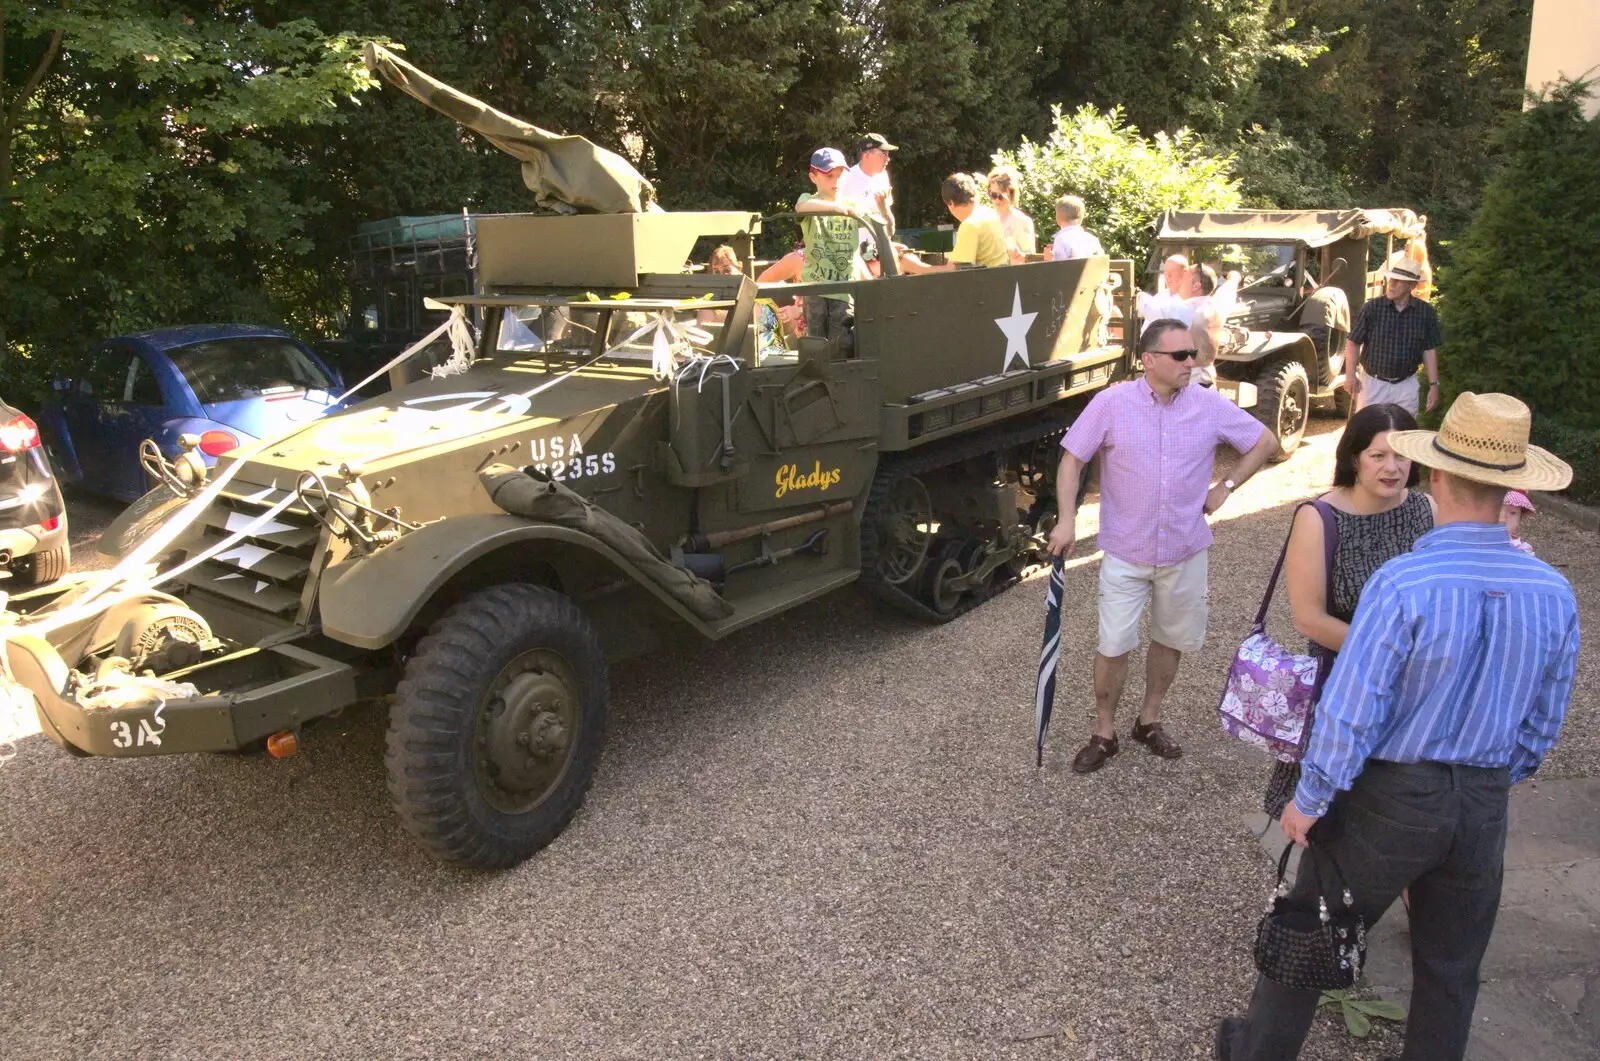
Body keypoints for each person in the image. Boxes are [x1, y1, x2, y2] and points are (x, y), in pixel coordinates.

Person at [1215, 391, 1580, 1061]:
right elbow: (1541, 723)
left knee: (1308, 937)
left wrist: (1311, 797)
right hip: (1481, 802)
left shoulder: (1403, 583)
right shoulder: (1553, 591)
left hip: (1390, 799)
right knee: (1450, 970)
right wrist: (1490, 777)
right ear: (1514, 487)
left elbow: (1354, 709)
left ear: (1435, 475)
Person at [1046, 319, 1278, 773]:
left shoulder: (1209, 406)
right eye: (1180, 356)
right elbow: (1073, 458)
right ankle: (1105, 731)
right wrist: (1068, 519)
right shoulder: (1112, 403)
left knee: (1170, 639)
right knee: (1113, 644)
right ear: (1148, 359)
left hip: (1185, 549)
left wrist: (1225, 486)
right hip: (1125, 552)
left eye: (1193, 353)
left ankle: (1148, 721)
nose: (1191, 362)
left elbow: (1264, 440)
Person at [1261, 403, 1434, 822]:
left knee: (1407, 808)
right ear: (1354, 458)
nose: (1392, 467)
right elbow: (1309, 618)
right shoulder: (1319, 517)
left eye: (1401, 455)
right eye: (1378, 456)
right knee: (1336, 811)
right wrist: (1390, 655)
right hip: (1345, 680)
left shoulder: (1428, 510)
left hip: (1419, 686)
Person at [1344, 255, 1442, 415]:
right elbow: (1353, 342)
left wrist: (1434, 385)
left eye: (1398, 281)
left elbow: (1429, 349)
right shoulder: (1372, 308)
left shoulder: (1425, 312)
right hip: (1372, 384)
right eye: (1391, 279)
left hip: (1407, 385)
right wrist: (1350, 376)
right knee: (1368, 432)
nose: (1391, 284)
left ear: (1412, 285)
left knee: (1403, 435)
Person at [796, 147, 869, 352]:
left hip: (843, 287)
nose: (835, 182)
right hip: (815, 285)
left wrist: (883, 207)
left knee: (842, 343)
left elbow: (883, 226)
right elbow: (801, 208)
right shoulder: (808, 200)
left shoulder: (853, 205)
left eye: (839, 176)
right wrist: (835, 209)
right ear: (813, 176)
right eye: (829, 176)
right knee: (815, 342)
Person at [898, 173, 1010, 273]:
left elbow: (953, 273)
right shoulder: (991, 215)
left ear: (950, 203)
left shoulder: (970, 225)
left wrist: (915, 267)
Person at [1187, 264, 1240, 387]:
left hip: (1189, 387)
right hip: (1205, 383)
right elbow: (1227, 291)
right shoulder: (1215, 306)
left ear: (1196, 285)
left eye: (1185, 277)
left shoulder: (1181, 311)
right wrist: (1234, 278)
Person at [840, 132, 897, 240]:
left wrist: (884, 208)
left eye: (888, 154)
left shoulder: (883, 177)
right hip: (852, 249)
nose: (888, 159)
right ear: (866, 155)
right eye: (883, 154)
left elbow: (891, 230)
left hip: (881, 247)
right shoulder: (845, 177)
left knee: (911, 257)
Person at [987, 168, 1036, 261]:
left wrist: (1018, 255)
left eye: (1001, 196)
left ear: (1011, 193)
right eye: (993, 195)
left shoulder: (1022, 220)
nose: (997, 200)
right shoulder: (987, 219)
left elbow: (1030, 259)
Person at [1048, 195, 1104, 261]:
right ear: (1081, 217)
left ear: (1058, 217)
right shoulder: (1092, 239)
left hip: (1071, 271)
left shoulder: (1061, 239)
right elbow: (1101, 263)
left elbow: (1059, 267)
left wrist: (1048, 259)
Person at [1501, 489, 1537, 554]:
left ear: (1520, 517)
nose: (1504, 517)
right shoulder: (1479, 541)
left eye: (1513, 513)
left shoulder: (1522, 548)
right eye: (1499, 511)